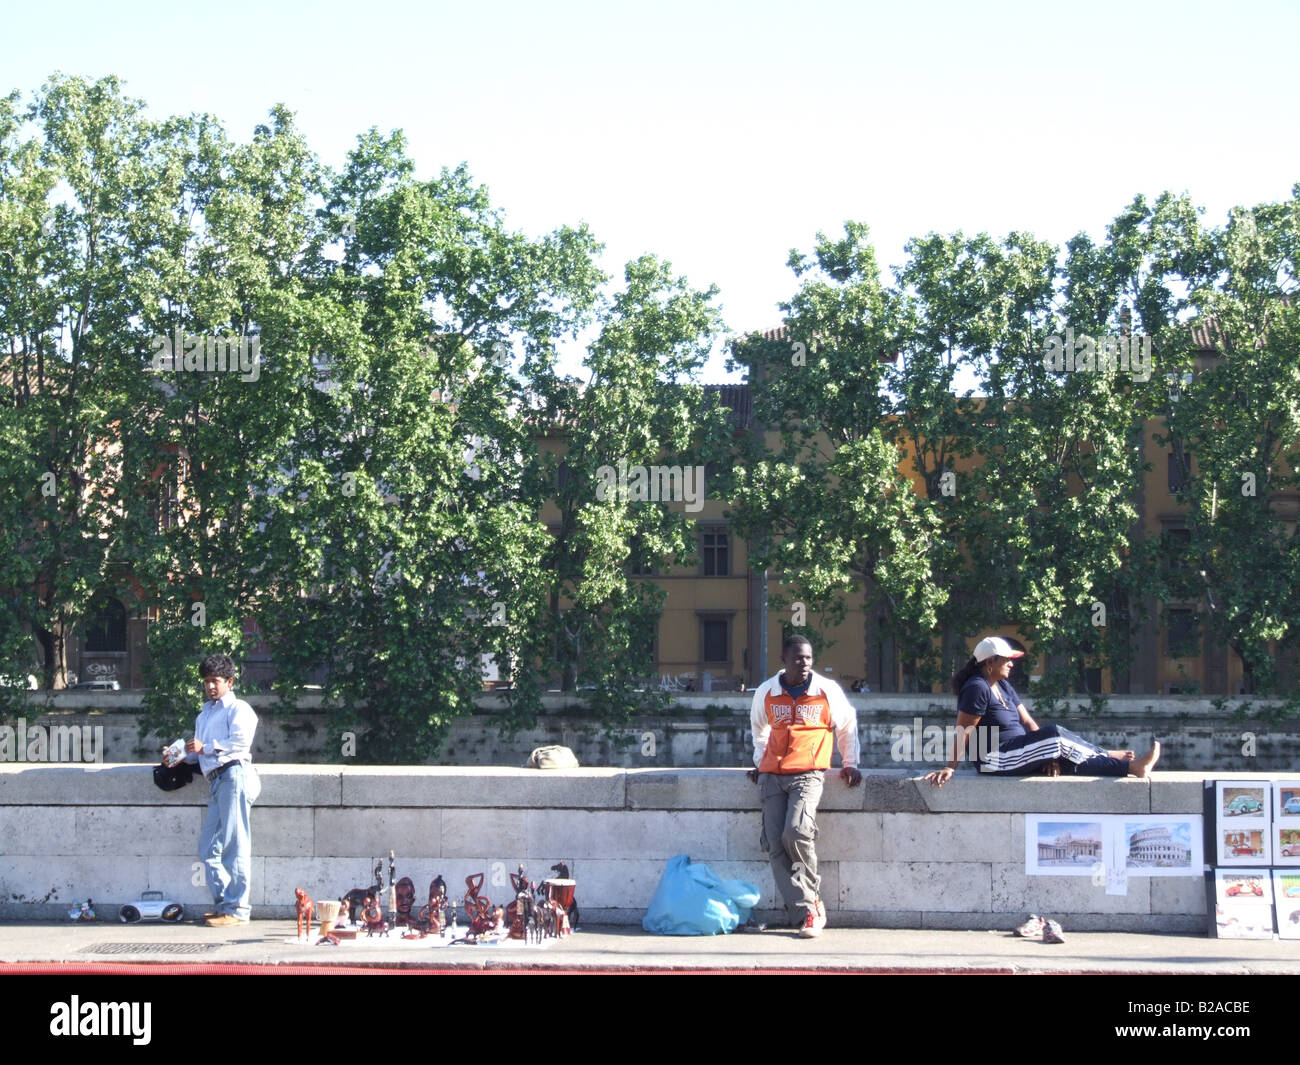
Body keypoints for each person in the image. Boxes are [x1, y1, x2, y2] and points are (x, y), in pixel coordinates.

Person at [925, 636, 1159, 787]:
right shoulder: (977, 687)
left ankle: (1131, 768)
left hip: (1019, 751)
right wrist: (950, 766)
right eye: (1006, 660)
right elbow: (963, 731)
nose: (1011, 664)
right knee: (1055, 734)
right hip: (995, 759)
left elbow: (1027, 722)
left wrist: (1047, 755)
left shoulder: (1003, 684)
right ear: (990, 663)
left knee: (1067, 764)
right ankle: (1107, 754)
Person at [749, 635, 861, 937]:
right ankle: (804, 913)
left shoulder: (826, 690)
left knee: (797, 832)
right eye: (798, 658)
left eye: (809, 658)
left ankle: (813, 902)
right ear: (783, 660)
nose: (804, 663)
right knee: (775, 845)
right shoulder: (767, 691)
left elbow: (847, 724)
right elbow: (758, 728)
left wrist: (850, 762)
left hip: (808, 773)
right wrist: (760, 761)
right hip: (772, 775)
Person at [177, 653, 260, 925]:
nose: (210, 686)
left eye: (215, 681)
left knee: (235, 845)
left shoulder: (240, 710)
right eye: (206, 682)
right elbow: (200, 755)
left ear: (230, 682)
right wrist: (176, 756)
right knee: (208, 849)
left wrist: (206, 748)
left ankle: (238, 910)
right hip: (217, 781)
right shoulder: (204, 713)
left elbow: (239, 744)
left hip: (234, 776)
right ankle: (225, 904)